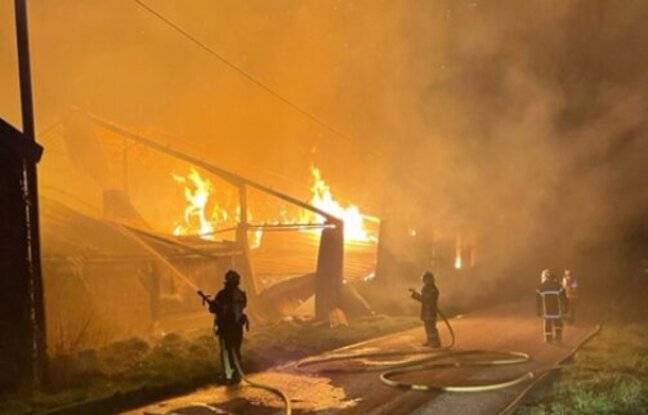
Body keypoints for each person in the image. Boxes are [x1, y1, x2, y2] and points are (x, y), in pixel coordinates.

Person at [199, 270, 249, 384]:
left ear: (227, 281)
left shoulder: (222, 294)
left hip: (226, 328)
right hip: (237, 328)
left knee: (226, 352)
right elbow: (242, 307)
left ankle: (228, 376)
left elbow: (214, 309)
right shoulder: (241, 294)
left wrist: (212, 304)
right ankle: (236, 375)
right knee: (236, 351)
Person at [409, 271, 441, 347]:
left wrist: (416, 295)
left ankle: (435, 342)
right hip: (426, 311)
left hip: (431, 311)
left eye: (427, 279)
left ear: (431, 279)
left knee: (432, 328)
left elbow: (426, 299)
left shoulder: (433, 289)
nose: (426, 281)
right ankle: (430, 341)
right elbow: (423, 299)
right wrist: (415, 294)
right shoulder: (425, 288)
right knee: (427, 327)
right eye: (425, 279)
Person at [536, 269, 568, 343]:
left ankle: (548, 338)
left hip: (546, 310)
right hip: (557, 309)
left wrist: (538, 310)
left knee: (547, 323)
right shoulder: (558, 285)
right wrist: (566, 308)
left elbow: (538, 300)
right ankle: (558, 338)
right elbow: (564, 298)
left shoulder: (541, 287)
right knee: (558, 323)